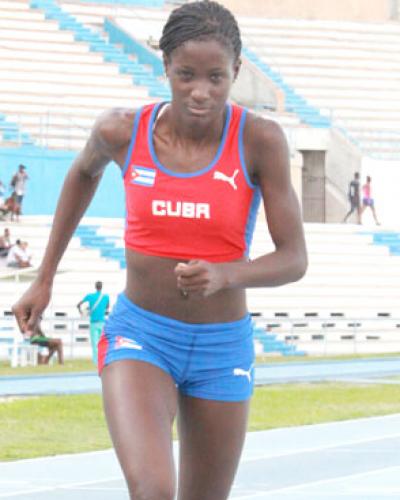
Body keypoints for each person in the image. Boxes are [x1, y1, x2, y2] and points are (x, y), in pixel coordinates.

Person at [11, 2, 308, 499]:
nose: (200, 91)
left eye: (216, 77)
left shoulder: (260, 141)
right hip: (141, 336)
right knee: (152, 490)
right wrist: (45, 276)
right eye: (186, 74)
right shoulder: (121, 131)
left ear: (235, 71)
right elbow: (83, 172)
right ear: (165, 65)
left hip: (222, 346)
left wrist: (225, 275)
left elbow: (294, 258)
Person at [77, 281, 109, 365]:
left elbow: (78, 304)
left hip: (93, 323)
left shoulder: (90, 296)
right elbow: (107, 307)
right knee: (102, 342)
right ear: (101, 287)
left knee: (94, 343)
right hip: (102, 322)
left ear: (95, 287)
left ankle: (96, 361)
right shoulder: (106, 297)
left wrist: (81, 312)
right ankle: (103, 360)